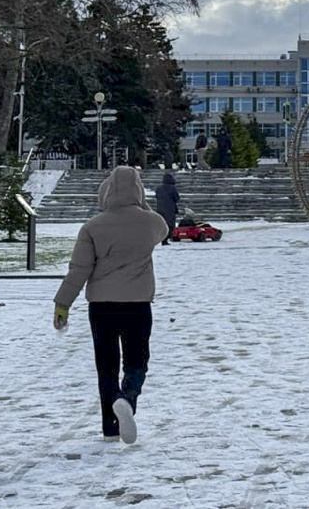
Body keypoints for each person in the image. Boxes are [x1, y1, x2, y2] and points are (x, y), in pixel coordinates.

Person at [53, 166, 169, 444]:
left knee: (106, 365)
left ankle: (110, 427)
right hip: (138, 304)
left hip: (102, 306)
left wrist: (62, 304)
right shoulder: (151, 222)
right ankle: (127, 399)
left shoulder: (92, 226)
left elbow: (79, 269)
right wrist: (141, 205)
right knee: (136, 360)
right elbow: (163, 231)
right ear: (139, 192)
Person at [154, 171, 179, 244]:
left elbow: (157, 197)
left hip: (160, 209)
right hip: (170, 209)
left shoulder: (159, 188)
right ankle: (166, 239)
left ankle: (163, 238)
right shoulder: (172, 188)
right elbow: (177, 198)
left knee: (163, 224)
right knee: (170, 224)